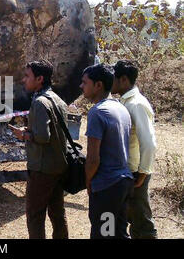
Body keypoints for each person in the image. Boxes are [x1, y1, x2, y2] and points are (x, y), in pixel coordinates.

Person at [9, 60, 69, 239]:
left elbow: (43, 137)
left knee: (35, 216)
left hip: (42, 169)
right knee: (57, 213)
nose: (24, 80)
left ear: (40, 79)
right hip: (58, 166)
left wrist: (24, 135)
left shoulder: (40, 103)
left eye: (28, 76)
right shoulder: (56, 99)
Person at [80, 64, 133, 239]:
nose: (81, 86)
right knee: (118, 233)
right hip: (123, 183)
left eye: (84, 82)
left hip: (107, 187)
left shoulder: (97, 112)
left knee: (104, 234)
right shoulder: (121, 108)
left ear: (98, 85)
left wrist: (88, 182)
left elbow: (93, 159)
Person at [112, 60, 158, 239]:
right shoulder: (125, 102)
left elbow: (148, 142)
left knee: (141, 219)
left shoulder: (136, 104)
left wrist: (143, 173)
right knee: (132, 216)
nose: (111, 82)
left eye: (114, 79)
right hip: (128, 169)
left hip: (136, 171)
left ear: (123, 80)